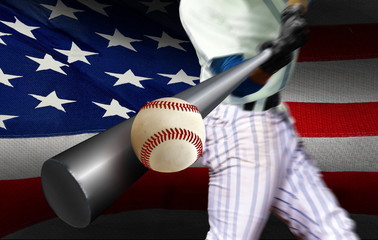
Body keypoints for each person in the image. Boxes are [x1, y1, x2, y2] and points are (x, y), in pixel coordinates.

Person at [179, 0, 360, 239]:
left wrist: (294, 10)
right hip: (239, 126)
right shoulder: (201, 5)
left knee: (334, 232)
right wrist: (277, 55)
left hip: (274, 118)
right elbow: (239, 84)